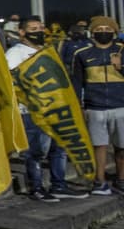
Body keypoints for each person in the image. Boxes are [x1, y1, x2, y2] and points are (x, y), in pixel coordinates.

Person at [8, 17, 85, 201]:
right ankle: (37, 187)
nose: (39, 31)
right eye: (33, 28)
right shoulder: (15, 53)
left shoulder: (47, 51)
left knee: (59, 149)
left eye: (41, 27)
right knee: (35, 152)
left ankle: (59, 185)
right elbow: (12, 80)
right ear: (22, 32)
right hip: (32, 111)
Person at [70, 16, 124, 196]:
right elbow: (77, 83)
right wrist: (78, 105)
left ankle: (121, 179)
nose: (103, 32)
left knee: (121, 147)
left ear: (115, 32)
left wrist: (120, 67)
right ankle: (99, 181)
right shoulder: (82, 54)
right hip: (95, 107)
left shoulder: (122, 51)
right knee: (98, 146)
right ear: (92, 33)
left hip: (121, 106)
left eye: (107, 29)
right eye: (99, 29)